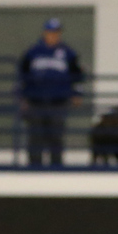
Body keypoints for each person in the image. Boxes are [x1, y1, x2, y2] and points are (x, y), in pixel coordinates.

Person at [17, 17, 84, 168]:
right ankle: (34, 166)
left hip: (58, 101)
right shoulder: (33, 52)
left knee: (56, 136)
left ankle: (56, 167)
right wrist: (22, 97)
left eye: (56, 32)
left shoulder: (68, 53)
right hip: (36, 101)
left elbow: (78, 76)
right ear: (44, 33)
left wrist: (77, 94)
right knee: (35, 136)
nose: (53, 35)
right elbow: (22, 75)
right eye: (50, 32)